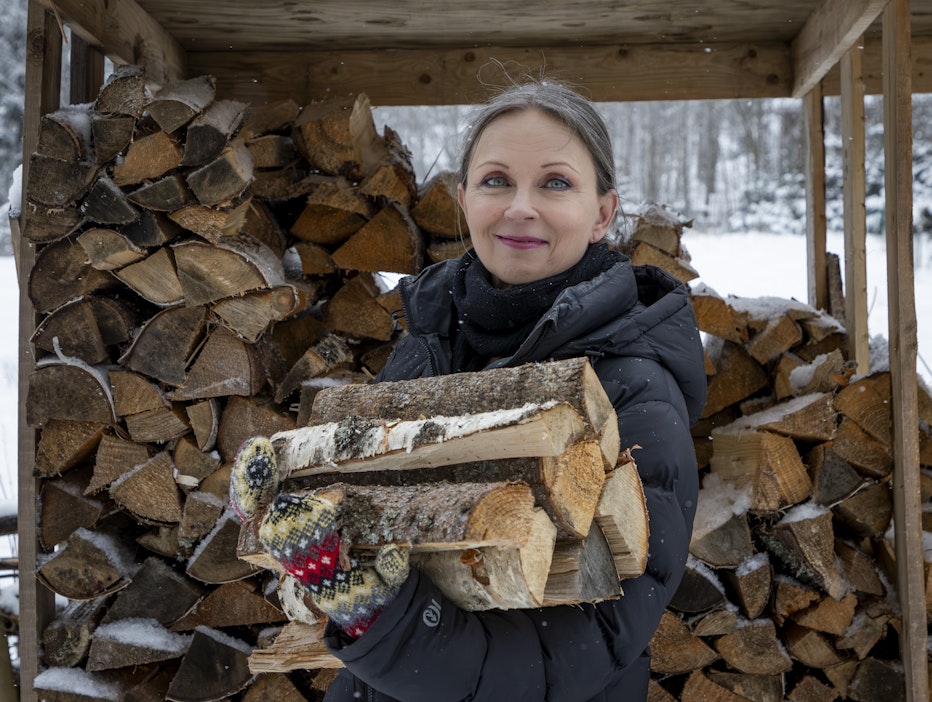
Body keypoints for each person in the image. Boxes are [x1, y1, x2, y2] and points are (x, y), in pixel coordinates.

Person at [230, 78, 707, 701]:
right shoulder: (432, 342)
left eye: (555, 183)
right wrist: (288, 506)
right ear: (463, 199)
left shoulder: (635, 390)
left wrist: (386, 621)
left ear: (603, 214)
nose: (520, 207)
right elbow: (366, 513)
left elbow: (580, 649)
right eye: (496, 180)